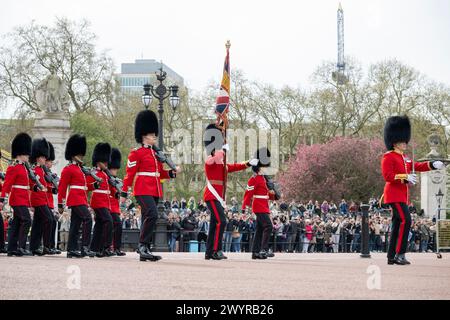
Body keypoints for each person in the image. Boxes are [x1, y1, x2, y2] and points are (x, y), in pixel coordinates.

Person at [381, 115, 444, 265]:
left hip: (402, 196)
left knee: (397, 224)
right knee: (406, 220)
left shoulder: (405, 158)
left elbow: (417, 166)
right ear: (395, 141)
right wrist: (405, 177)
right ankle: (400, 254)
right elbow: (388, 176)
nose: (405, 143)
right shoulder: (388, 157)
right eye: (403, 141)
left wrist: (432, 164)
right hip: (393, 195)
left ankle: (391, 256)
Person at [120, 110, 179, 262]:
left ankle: (145, 248)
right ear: (144, 136)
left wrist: (172, 173)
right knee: (152, 214)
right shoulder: (136, 153)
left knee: (149, 216)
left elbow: (160, 174)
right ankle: (142, 246)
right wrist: (124, 193)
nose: (154, 137)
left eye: (154, 134)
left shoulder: (156, 155)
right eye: (152, 135)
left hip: (154, 189)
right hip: (142, 189)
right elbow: (129, 174)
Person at [203, 123, 258, 260]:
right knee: (222, 221)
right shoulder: (210, 156)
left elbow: (232, 167)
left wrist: (248, 163)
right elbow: (212, 160)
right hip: (212, 195)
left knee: (214, 225)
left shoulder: (220, 161)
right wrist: (222, 150)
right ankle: (217, 250)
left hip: (218, 197)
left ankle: (209, 252)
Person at [58, 134, 95, 258]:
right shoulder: (68, 169)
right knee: (88, 219)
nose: (81, 156)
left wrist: (95, 185)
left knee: (75, 224)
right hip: (75, 199)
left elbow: (86, 187)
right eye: (80, 154)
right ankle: (84, 247)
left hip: (82, 198)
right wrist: (60, 203)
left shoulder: (81, 169)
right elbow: (62, 188)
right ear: (74, 155)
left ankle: (71, 250)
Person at [0, 133, 33, 256]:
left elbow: (26, 185)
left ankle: (12, 249)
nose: (28, 156)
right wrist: (2, 198)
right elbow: (7, 184)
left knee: (17, 222)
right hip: (16, 198)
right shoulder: (14, 166)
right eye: (26, 153)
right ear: (21, 153)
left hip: (23, 198)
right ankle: (21, 247)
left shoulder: (24, 167)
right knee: (26, 220)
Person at [242, 147, 278, 259]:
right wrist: (244, 208)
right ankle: (263, 249)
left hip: (264, 206)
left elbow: (267, 194)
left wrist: (273, 194)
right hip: (258, 206)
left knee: (260, 229)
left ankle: (255, 252)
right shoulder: (254, 178)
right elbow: (248, 194)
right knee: (268, 226)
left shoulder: (263, 178)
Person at [28, 138, 54, 256]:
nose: (45, 159)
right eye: (43, 157)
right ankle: (46, 246)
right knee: (49, 219)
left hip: (43, 199)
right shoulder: (34, 170)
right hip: (37, 199)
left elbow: (45, 186)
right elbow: (32, 185)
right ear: (38, 157)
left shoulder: (42, 171)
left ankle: (34, 247)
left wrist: (52, 189)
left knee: (38, 224)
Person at [88, 143, 114, 257]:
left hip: (105, 201)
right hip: (98, 201)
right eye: (104, 162)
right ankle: (105, 247)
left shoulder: (105, 174)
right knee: (108, 221)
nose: (106, 164)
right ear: (98, 161)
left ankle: (95, 248)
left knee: (99, 224)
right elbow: (88, 186)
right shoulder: (93, 173)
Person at [108, 148, 125, 256]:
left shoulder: (117, 180)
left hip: (115, 208)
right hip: (108, 206)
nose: (116, 171)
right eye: (114, 169)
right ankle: (110, 247)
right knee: (112, 226)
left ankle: (116, 248)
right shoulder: (107, 178)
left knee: (118, 226)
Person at [45, 142, 61, 254]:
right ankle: (46, 246)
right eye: (50, 161)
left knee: (53, 222)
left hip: (48, 201)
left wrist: (55, 188)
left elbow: (50, 188)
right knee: (49, 221)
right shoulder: (40, 171)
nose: (51, 163)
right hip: (41, 200)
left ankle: (50, 245)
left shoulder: (49, 173)